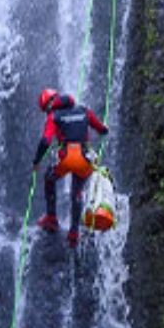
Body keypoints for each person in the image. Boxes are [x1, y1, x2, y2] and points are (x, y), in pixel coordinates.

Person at [34, 87, 109, 248]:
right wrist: (105, 130)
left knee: (49, 178)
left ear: (50, 103)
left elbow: (46, 141)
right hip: (84, 158)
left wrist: (37, 161)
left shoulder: (54, 116)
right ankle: (74, 232)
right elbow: (100, 128)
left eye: (46, 108)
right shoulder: (84, 110)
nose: (47, 112)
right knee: (77, 192)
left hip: (66, 158)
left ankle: (51, 218)